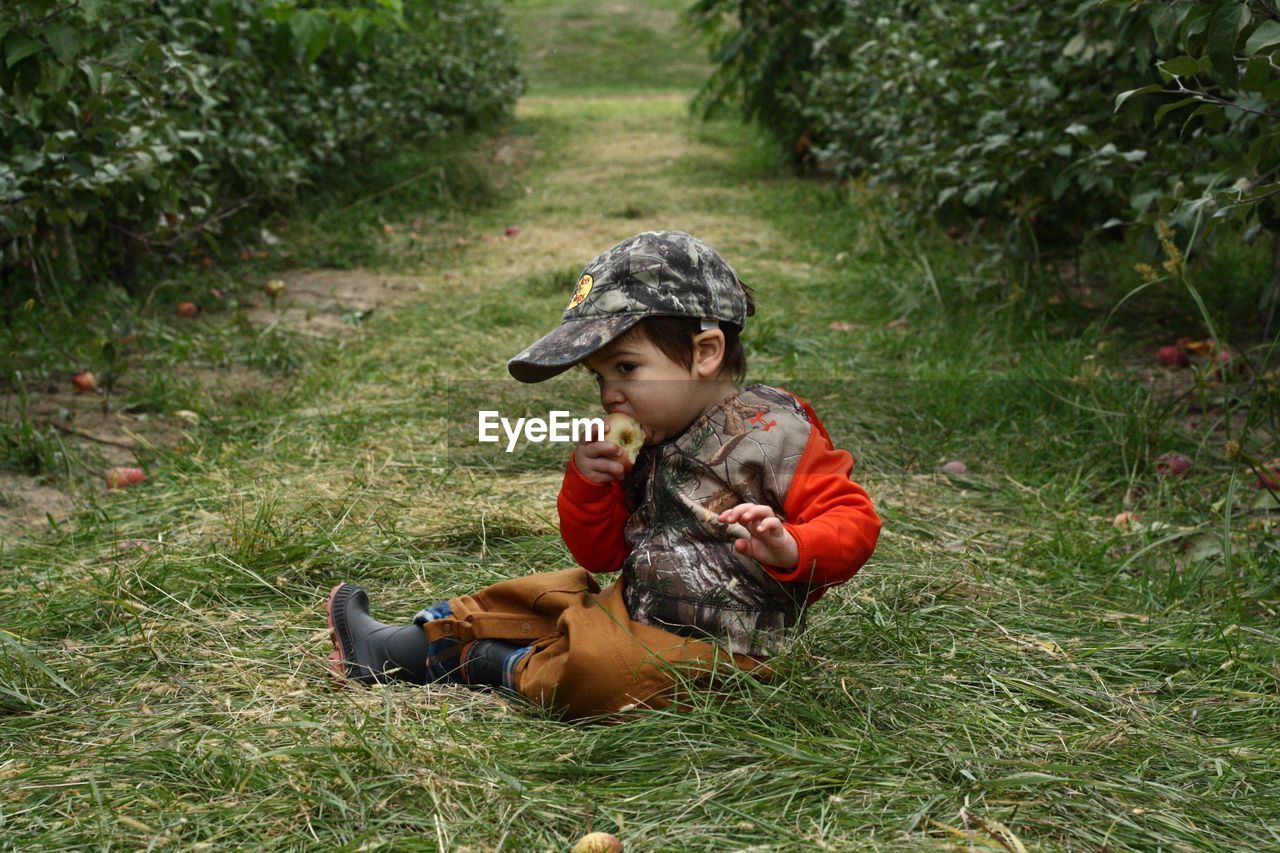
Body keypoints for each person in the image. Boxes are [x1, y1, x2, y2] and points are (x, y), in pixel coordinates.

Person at [326, 230, 880, 719]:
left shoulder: (779, 433)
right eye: (598, 377)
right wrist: (590, 484)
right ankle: (391, 646)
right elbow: (601, 556)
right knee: (544, 598)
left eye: (626, 369)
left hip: (725, 653)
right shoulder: (647, 441)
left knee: (606, 670)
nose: (610, 394)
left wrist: (792, 546)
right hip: (633, 610)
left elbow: (854, 519)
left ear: (706, 353)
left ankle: (500, 666)